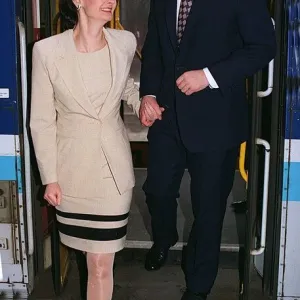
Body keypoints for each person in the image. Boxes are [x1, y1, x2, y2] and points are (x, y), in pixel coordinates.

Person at [139, 0, 276, 299]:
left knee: (209, 210)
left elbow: (263, 46)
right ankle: (164, 238)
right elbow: (154, 49)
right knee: (157, 190)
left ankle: (198, 286)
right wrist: (147, 93)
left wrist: (209, 76)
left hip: (217, 119)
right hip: (167, 114)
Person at [30, 1, 158, 299]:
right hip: (72, 173)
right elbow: (42, 120)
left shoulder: (124, 42)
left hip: (112, 174)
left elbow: (124, 84)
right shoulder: (47, 51)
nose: (110, 1)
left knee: (102, 264)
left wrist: (142, 102)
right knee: (88, 258)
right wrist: (50, 176)